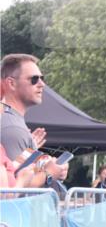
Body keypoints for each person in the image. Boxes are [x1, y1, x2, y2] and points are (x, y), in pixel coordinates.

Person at [0, 53, 68, 188]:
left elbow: (17, 168)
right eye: (34, 79)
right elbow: (14, 188)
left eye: (42, 78)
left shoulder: (14, 123)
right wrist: (49, 174)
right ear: (11, 83)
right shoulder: (12, 128)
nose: (42, 84)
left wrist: (34, 153)